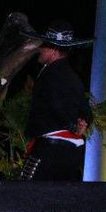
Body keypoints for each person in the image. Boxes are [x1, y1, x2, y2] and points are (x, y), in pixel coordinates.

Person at [21, 18, 94, 181]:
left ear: (53, 49)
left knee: (31, 198)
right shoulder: (74, 78)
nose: (40, 49)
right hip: (71, 153)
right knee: (62, 200)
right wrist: (81, 123)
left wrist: (72, 124)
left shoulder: (50, 76)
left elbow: (57, 106)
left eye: (44, 45)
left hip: (49, 151)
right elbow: (86, 111)